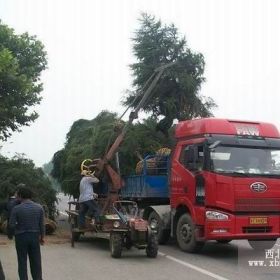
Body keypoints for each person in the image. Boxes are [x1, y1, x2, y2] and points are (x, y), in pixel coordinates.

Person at [9, 186, 45, 280]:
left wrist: (11, 235)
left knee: (22, 262)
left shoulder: (16, 209)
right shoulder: (39, 207)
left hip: (21, 237)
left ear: (20, 196)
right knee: (36, 262)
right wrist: (42, 238)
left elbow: (12, 225)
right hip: (34, 237)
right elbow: (42, 225)